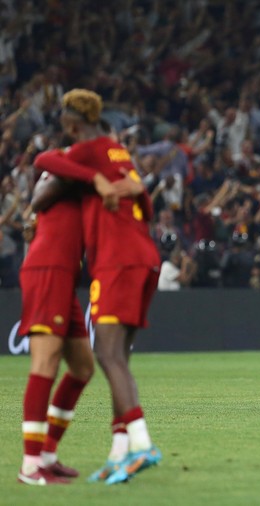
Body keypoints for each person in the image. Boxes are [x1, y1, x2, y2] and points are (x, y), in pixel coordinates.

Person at [33, 89, 162, 483]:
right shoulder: (118, 152)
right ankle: (120, 451)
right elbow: (146, 202)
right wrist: (110, 184)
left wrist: (93, 179)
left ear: (73, 125)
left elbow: (43, 160)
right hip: (145, 256)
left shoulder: (86, 150)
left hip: (116, 260)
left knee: (106, 354)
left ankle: (141, 445)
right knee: (118, 356)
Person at [17, 173, 93, 485]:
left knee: (82, 367)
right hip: (49, 268)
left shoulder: (82, 175)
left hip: (65, 275)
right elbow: (39, 186)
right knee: (45, 364)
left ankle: (47, 454)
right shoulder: (66, 167)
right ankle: (31, 465)